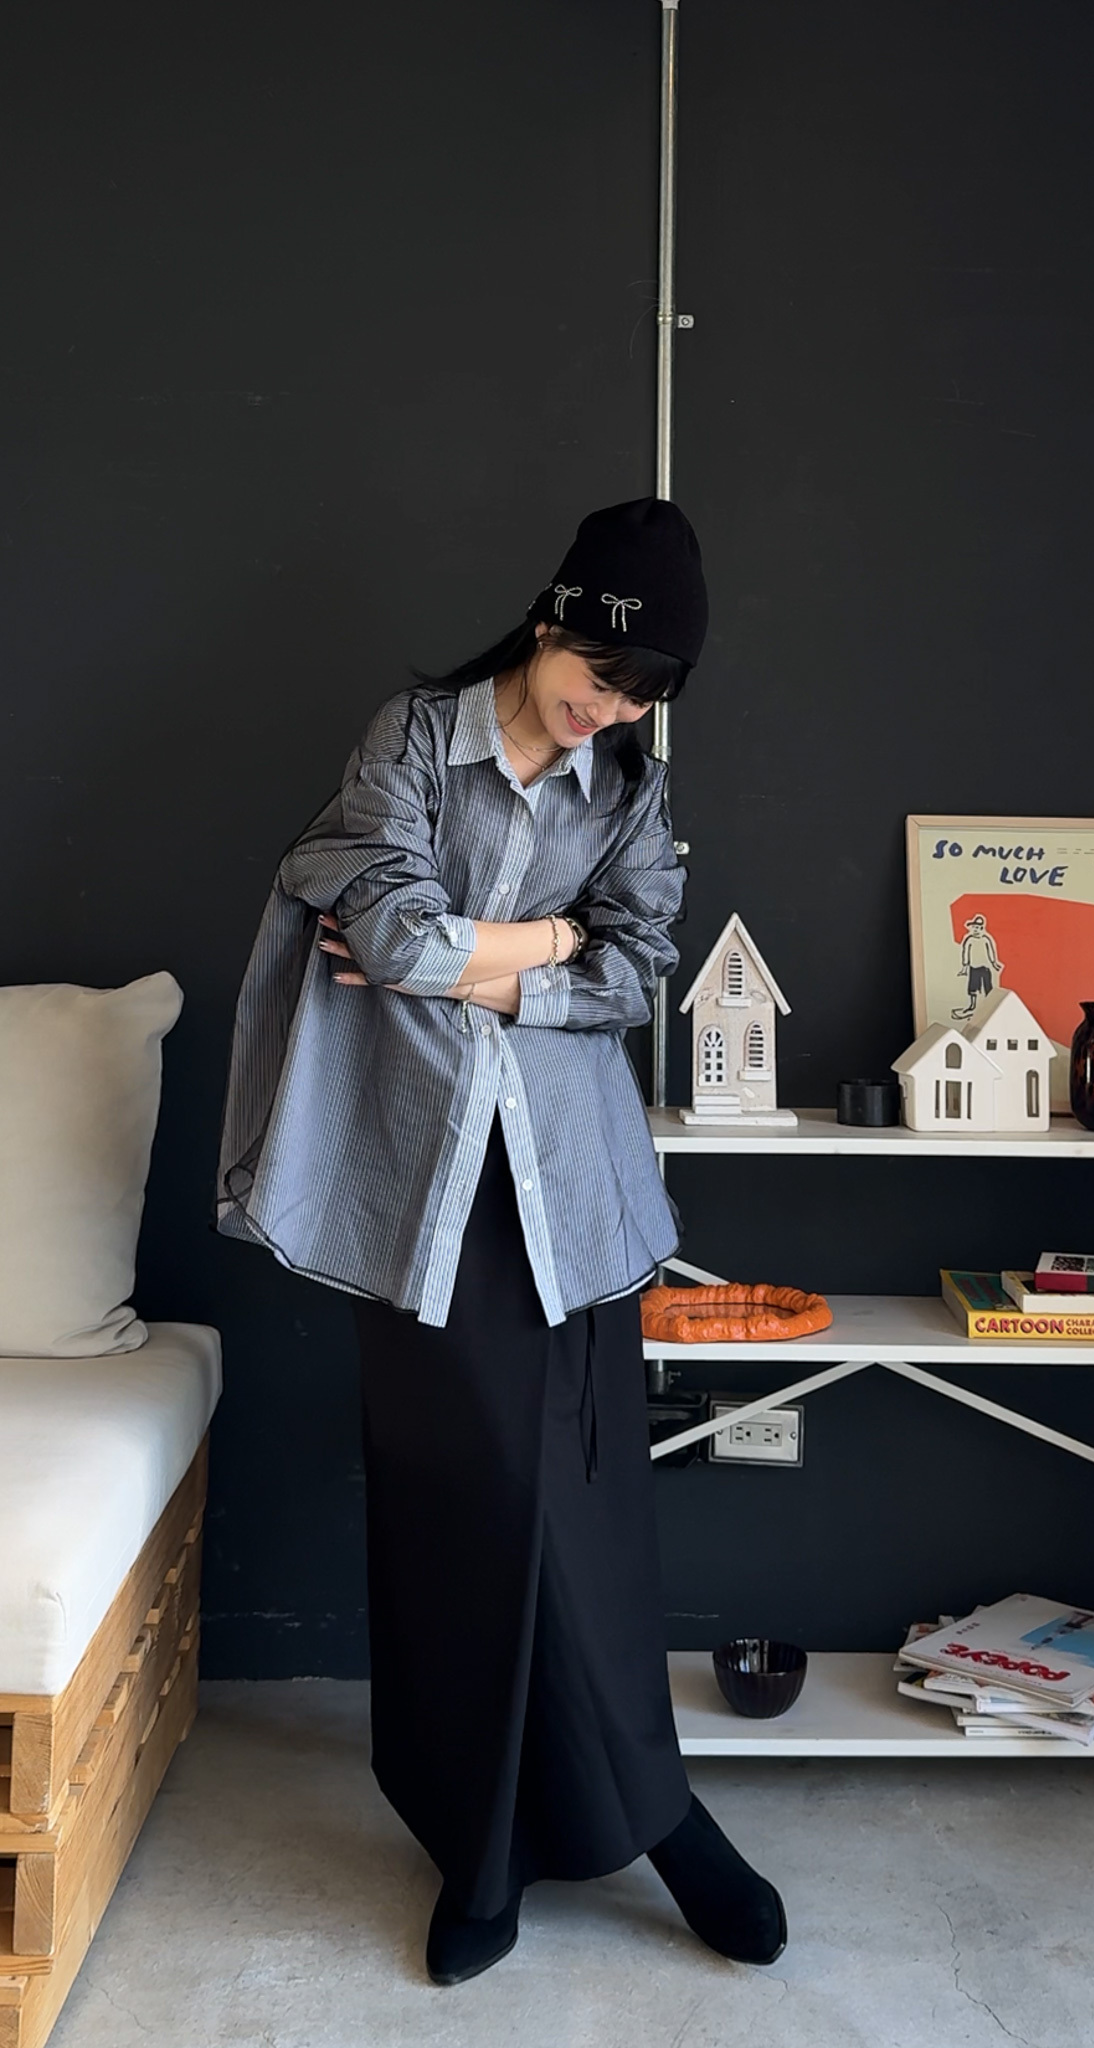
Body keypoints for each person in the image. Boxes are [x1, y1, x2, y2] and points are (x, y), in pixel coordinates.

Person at [216, 498, 787, 1985]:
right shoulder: (413, 738)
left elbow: (638, 971)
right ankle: (480, 1849)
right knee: (456, 1515)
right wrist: (559, 939)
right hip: (417, 1186)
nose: (617, 707)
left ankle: (662, 1819)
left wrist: (507, 958)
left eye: (648, 691)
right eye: (606, 672)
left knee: (587, 1511)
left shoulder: (629, 788)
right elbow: (390, 937)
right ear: (552, 621)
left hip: (566, 1189)